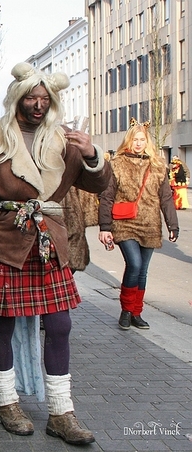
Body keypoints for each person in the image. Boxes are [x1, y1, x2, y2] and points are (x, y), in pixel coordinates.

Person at [0, 62, 112, 445]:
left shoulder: (66, 140)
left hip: (49, 242)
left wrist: (92, 155)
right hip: (4, 240)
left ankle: (61, 411)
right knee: (2, 325)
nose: (38, 106)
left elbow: (99, 181)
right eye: (31, 99)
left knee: (60, 325)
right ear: (17, 99)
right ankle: (7, 401)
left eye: (44, 99)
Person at [98, 118, 179, 331]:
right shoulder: (117, 164)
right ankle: (126, 310)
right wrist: (105, 227)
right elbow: (106, 197)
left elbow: (166, 198)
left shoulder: (158, 165)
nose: (138, 143)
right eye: (135, 139)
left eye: (142, 140)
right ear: (128, 141)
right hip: (125, 223)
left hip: (150, 224)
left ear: (147, 141)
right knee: (134, 264)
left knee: (142, 270)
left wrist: (173, 225)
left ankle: (136, 312)